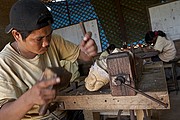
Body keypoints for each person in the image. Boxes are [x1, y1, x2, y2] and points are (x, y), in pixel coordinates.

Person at [0, 0, 97, 120]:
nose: (46, 43)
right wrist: (28, 99)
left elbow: (83, 56)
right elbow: (3, 116)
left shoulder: (54, 41)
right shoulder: (4, 64)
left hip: (64, 112)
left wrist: (87, 51)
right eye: (39, 39)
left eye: (49, 35)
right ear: (17, 35)